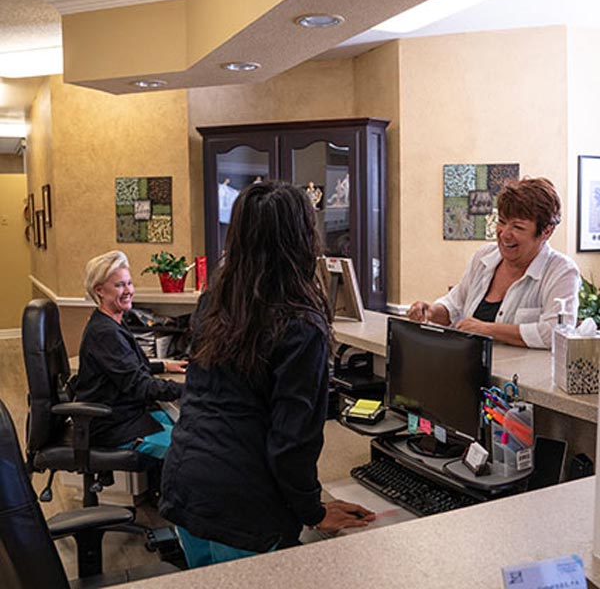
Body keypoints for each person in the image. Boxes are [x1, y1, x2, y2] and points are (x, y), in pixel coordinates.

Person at [160, 180, 375, 568]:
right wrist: (313, 510)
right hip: (244, 503)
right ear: (304, 239)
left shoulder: (215, 300)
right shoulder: (300, 324)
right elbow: (292, 440)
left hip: (186, 483)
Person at [408, 177, 580, 349]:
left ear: (546, 232)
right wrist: (430, 312)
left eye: (517, 227)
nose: (505, 234)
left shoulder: (562, 271)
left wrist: (487, 329)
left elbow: (554, 333)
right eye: (502, 222)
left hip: (520, 375)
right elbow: (454, 305)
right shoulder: (484, 256)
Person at [75, 250, 186, 458]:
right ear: (99, 290)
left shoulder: (113, 320)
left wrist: (163, 366)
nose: (128, 290)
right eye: (119, 285)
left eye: (129, 283)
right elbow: (140, 385)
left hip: (128, 414)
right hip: (115, 426)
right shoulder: (105, 333)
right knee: (193, 450)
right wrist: (190, 387)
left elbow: (126, 366)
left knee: (191, 428)